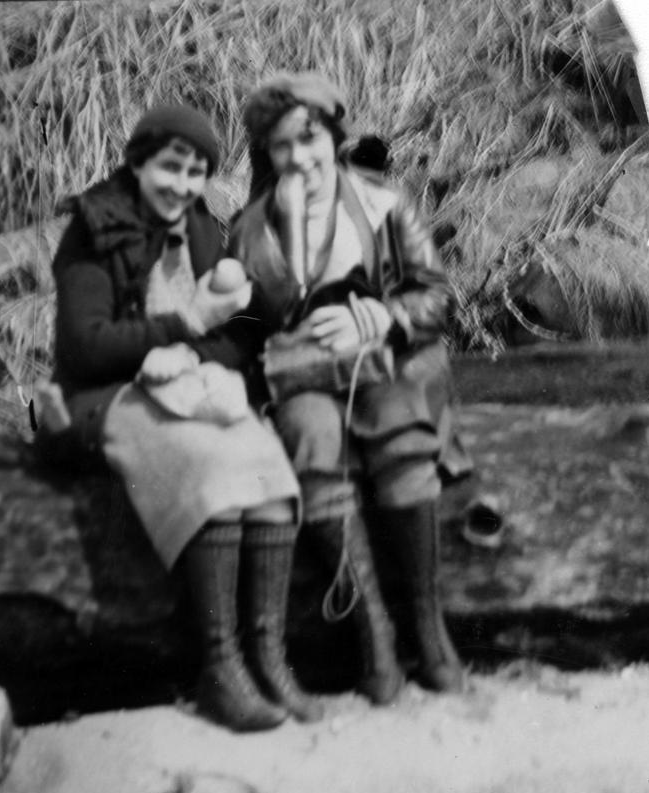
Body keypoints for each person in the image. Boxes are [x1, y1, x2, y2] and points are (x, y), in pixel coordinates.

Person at [47, 103, 321, 731]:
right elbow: (84, 348)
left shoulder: (201, 226)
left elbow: (237, 335)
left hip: (187, 385)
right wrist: (180, 328)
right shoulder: (94, 227)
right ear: (139, 162)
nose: (182, 185)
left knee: (266, 468)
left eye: (196, 173)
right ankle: (219, 668)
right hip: (101, 395)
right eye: (171, 168)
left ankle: (269, 659)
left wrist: (201, 352)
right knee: (208, 468)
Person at [229, 72, 472, 704]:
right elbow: (250, 332)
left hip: (387, 365)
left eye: (309, 140)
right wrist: (289, 238)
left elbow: (439, 298)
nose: (300, 159)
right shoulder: (251, 227)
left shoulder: (384, 202)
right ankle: (376, 637)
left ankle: (427, 623)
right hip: (305, 379)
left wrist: (386, 314)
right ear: (267, 155)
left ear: (333, 137)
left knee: (397, 429)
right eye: (282, 148)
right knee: (311, 438)